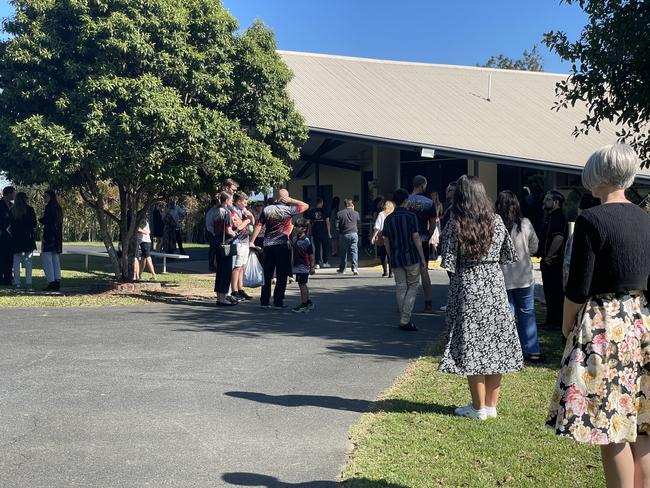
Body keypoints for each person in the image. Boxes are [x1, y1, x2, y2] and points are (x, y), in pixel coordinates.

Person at [546, 144, 650, 487]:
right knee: (642, 423)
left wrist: (566, 324)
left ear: (596, 174)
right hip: (641, 321)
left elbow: (578, 287)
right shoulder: (645, 219)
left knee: (610, 426)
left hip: (606, 324)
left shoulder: (592, 219)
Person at [439, 175, 523, 420]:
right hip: (494, 285)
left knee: (472, 345)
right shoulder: (496, 221)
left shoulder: (454, 224)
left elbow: (449, 263)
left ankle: (478, 408)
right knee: (495, 344)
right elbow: (508, 255)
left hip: (467, 285)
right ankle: (491, 405)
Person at [496, 190, 543, 362]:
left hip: (503, 276)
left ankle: (507, 351)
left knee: (507, 314)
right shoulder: (525, 223)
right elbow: (535, 246)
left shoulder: (495, 224)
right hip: (523, 275)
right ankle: (532, 350)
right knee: (527, 313)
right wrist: (524, 255)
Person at [250, 189, 308, 308]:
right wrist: (292, 200)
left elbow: (259, 226)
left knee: (267, 273)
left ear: (276, 198)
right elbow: (305, 205)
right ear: (286, 199)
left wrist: (251, 241)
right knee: (281, 274)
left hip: (268, 245)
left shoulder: (267, 209)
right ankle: (278, 301)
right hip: (282, 245)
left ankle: (264, 300)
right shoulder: (289, 210)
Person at [382, 189, 427, 331]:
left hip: (396, 257)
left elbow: (386, 241)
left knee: (400, 287)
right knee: (413, 286)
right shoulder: (411, 216)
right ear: (406, 201)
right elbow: (416, 238)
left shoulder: (388, 219)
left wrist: (390, 256)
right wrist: (423, 258)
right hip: (411, 257)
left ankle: (404, 317)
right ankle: (405, 319)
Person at [408, 175, 437, 313]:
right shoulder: (429, 203)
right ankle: (428, 303)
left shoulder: (406, 201)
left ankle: (407, 303)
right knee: (424, 271)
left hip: (408, 241)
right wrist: (428, 235)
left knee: (408, 273)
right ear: (423, 185)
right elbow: (432, 224)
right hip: (423, 239)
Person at [540, 190, 567, 327]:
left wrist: (549, 256)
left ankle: (556, 321)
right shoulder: (549, 217)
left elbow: (558, 237)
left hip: (553, 261)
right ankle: (551, 319)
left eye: (547, 199)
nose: (544, 202)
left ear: (555, 202)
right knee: (549, 292)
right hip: (548, 259)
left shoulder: (557, 217)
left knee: (554, 291)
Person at [562, 193, 600, 288]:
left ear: (580, 209)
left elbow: (569, 260)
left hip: (579, 281)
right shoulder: (601, 227)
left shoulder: (581, 229)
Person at [214, 191, 238, 306]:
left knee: (219, 271)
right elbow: (229, 230)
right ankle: (223, 298)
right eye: (231, 199)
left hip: (217, 242)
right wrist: (234, 233)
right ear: (226, 200)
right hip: (226, 243)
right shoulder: (227, 212)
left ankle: (219, 297)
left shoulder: (216, 211)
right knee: (226, 271)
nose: (232, 201)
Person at [8, 192, 37, 289]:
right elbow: (34, 224)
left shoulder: (12, 210)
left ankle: (17, 282)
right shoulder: (30, 210)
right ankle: (29, 282)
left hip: (16, 239)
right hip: (28, 238)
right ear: (25, 199)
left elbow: (9, 225)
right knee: (28, 261)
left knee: (16, 262)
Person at [230, 191, 254, 302]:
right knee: (237, 266)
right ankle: (234, 290)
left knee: (242, 267)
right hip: (238, 240)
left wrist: (248, 216)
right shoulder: (233, 211)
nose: (246, 204)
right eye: (244, 202)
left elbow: (252, 220)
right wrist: (247, 220)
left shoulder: (242, 210)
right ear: (238, 202)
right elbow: (239, 226)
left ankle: (240, 289)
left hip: (245, 240)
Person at [40, 190, 63, 291]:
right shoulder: (58, 208)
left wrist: (41, 220)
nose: (44, 198)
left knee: (47, 259)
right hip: (57, 236)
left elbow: (48, 221)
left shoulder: (49, 207)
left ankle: (51, 281)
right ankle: (57, 280)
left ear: (50, 197)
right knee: (55, 258)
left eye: (45, 196)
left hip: (49, 235)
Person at [291, 218, 316, 313]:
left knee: (302, 284)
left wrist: (312, 267)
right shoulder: (294, 238)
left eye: (298, 226)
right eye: (295, 226)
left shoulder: (306, 241)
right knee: (301, 284)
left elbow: (311, 255)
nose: (296, 228)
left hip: (304, 266)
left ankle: (304, 304)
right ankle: (308, 301)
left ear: (304, 228)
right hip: (297, 266)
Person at [305, 198, 331, 269]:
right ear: (321, 203)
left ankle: (317, 263)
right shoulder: (325, 210)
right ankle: (325, 262)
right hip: (324, 232)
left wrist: (309, 232)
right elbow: (327, 222)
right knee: (325, 247)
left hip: (315, 232)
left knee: (317, 248)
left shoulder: (311, 211)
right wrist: (329, 233)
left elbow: (309, 223)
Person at [371, 200, 395, 277]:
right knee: (390, 254)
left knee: (383, 254)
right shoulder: (394, 214)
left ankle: (385, 271)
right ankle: (391, 272)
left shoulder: (381, 214)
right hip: (392, 235)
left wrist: (373, 236)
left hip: (382, 235)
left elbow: (377, 227)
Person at [336, 199, 360, 275]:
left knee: (343, 252)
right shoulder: (356, 213)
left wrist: (339, 230)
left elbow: (336, 226)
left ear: (345, 204)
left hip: (344, 234)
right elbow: (358, 222)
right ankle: (355, 268)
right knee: (354, 251)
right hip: (354, 233)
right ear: (351, 204)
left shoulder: (340, 213)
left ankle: (343, 269)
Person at [0, 186, 16, 285]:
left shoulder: (12, 206)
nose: (15, 195)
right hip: (1, 234)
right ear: (9, 193)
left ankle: (8, 278)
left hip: (10, 236)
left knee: (9, 258)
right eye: (14, 193)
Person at [205, 198, 218, 272]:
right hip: (212, 233)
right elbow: (209, 225)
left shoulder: (214, 211)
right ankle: (211, 265)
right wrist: (214, 233)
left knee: (214, 250)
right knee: (212, 250)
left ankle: (213, 264)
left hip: (213, 232)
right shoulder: (211, 212)